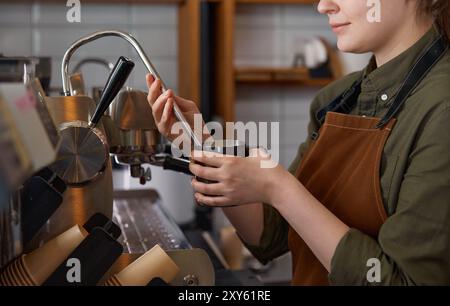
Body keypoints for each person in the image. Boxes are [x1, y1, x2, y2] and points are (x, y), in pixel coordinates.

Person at [146, 0, 450, 285]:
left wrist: (279, 188)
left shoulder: (441, 108)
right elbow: (273, 234)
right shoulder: (337, 99)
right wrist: (194, 137)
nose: (323, 5)